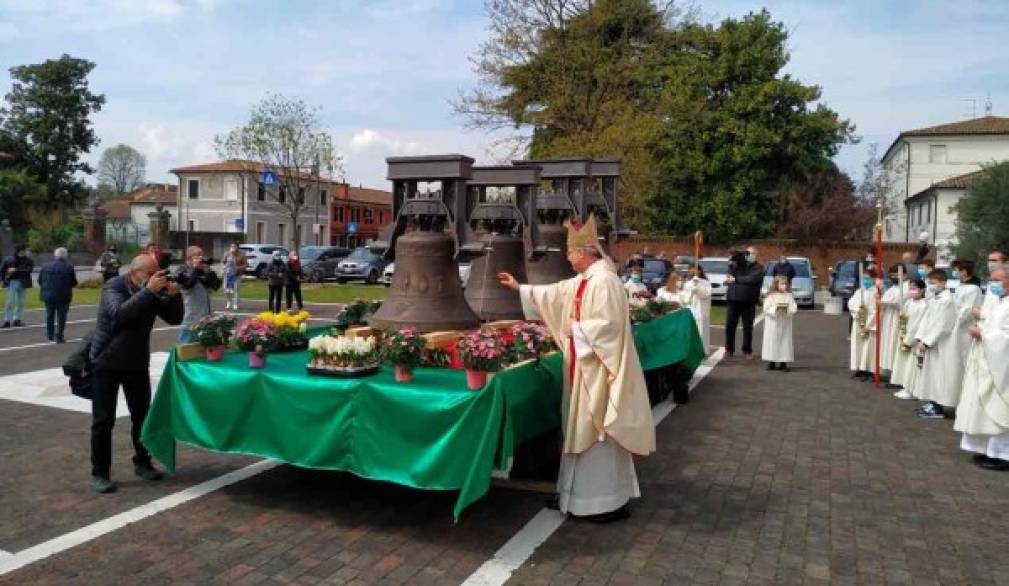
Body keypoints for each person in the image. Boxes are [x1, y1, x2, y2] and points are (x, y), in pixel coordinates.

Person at [497, 215, 655, 523]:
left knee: (596, 434)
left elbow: (609, 328)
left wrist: (577, 329)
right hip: (583, 367)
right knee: (579, 432)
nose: (568, 258)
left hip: (598, 372)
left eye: (570, 252)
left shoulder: (604, 281)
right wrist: (521, 288)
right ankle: (576, 497)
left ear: (583, 252)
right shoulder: (586, 279)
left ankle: (602, 503)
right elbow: (556, 293)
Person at [90, 255, 183, 493]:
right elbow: (119, 314)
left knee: (142, 416)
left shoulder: (150, 290)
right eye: (150, 273)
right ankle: (100, 472)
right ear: (134, 272)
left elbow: (174, 318)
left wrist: (174, 296)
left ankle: (142, 462)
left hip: (136, 362)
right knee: (103, 420)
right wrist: (148, 292)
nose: (155, 277)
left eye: (157, 272)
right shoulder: (114, 286)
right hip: (106, 361)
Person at [954, 264, 1009, 470]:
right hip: (987, 362)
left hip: (1003, 367)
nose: (992, 285)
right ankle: (989, 449)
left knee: (1001, 409)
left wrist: (983, 334)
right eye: (991, 280)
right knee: (985, 408)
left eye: (998, 281)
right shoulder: (999, 301)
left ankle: (1004, 455)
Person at [911, 268, 958, 419]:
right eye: (929, 283)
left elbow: (943, 325)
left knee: (939, 375)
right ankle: (932, 402)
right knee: (930, 375)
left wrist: (928, 341)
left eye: (934, 283)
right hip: (929, 342)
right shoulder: (934, 298)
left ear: (943, 283)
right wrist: (920, 337)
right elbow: (927, 319)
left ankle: (938, 407)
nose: (930, 285)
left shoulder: (947, 300)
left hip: (940, 344)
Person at [891, 279, 929, 399]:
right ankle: (906, 386)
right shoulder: (909, 302)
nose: (911, 291)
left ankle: (911, 390)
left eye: (914, 288)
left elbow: (918, 324)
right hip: (906, 334)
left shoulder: (924, 305)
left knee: (913, 365)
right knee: (905, 363)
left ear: (922, 290)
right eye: (910, 288)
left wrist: (909, 339)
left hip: (915, 339)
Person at [724, 246, 764, 359]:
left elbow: (752, 279)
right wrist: (732, 260)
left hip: (749, 301)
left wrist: (736, 280)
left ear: (756, 255)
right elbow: (729, 275)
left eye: (751, 253)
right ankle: (729, 349)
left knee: (747, 327)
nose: (748, 255)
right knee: (730, 326)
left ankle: (747, 350)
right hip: (733, 299)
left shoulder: (758, 268)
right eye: (747, 253)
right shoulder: (737, 265)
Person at [176, 246, 221, 342]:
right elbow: (187, 285)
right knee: (188, 352)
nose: (201, 257)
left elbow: (216, 286)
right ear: (189, 258)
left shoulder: (202, 270)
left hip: (205, 319)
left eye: (202, 255)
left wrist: (209, 273)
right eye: (198, 255)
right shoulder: (182, 270)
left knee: (204, 352)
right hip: (190, 321)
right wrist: (195, 269)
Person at [38, 247, 78, 343]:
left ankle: (50, 334)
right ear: (65, 256)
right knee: (62, 316)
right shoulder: (69, 267)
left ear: (55, 255)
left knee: (49, 315)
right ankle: (59, 336)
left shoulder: (45, 266)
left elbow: (40, 280)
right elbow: (73, 282)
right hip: (63, 295)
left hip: (48, 294)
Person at [848, 267, 880, 380]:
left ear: (873, 279)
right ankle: (859, 368)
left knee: (869, 347)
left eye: (868, 278)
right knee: (858, 345)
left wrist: (869, 324)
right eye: (864, 278)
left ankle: (869, 370)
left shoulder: (876, 292)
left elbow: (877, 309)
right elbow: (851, 303)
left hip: (869, 324)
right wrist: (858, 311)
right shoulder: (859, 291)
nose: (865, 280)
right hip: (859, 322)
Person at [762, 276, 798, 371]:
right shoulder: (771, 296)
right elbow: (766, 308)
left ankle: (783, 362)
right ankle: (771, 362)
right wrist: (775, 310)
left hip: (785, 322)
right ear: (776, 284)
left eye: (785, 284)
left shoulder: (789, 296)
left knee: (784, 342)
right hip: (773, 323)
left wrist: (787, 310)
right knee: (772, 341)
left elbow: (794, 307)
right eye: (782, 284)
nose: (784, 286)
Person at [879, 266, 904, 382]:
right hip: (889, 318)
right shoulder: (892, 288)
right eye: (892, 275)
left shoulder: (906, 288)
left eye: (896, 275)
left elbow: (900, 302)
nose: (894, 277)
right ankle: (889, 371)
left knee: (895, 344)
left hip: (897, 319)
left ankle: (897, 374)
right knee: (888, 343)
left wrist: (887, 303)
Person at [681, 264, 712, 352]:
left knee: (701, 332)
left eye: (694, 269)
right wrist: (691, 290)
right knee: (690, 332)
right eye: (690, 269)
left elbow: (705, 295)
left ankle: (702, 351)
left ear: (699, 271)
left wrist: (698, 287)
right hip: (691, 310)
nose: (692, 271)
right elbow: (685, 299)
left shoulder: (706, 283)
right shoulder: (687, 284)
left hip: (701, 311)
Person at [1, 244, 34, 328]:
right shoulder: (9, 259)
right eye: (27, 250)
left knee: (21, 302)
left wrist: (15, 270)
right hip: (12, 282)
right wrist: (1, 280)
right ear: (21, 250)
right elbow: (2, 270)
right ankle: (7, 320)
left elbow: (28, 271)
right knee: (10, 302)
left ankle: (17, 320)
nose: (28, 251)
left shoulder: (29, 260)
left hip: (23, 283)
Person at [221, 243, 246, 311]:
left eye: (234, 246)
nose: (232, 247)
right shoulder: (227, 253)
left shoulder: (242, 254)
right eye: (231, 246)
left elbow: (245, 265)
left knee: (236, 290)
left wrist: (238, 268)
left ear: (237, 247)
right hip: (228, 274)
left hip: (236, 275)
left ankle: (235, 304)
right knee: (225, 289)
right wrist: (226, 261)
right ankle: (229, 302)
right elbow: (223, 262)